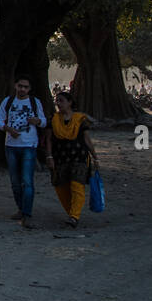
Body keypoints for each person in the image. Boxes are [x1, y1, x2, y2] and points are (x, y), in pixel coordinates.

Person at [0, 77, 47, 229]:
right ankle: (20, 208)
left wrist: (37, 121)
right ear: (15, 85)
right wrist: (7, 129)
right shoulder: (7, 101)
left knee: (27, 181)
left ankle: (27, 214)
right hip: (11, 145)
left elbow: (44, 121)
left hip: (29, 145)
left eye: (25, 87)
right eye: (20, 86)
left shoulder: (35, 102)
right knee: (15, 181)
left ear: (29, 89)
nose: (22, 89)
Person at [46, 92, 99, 229]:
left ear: (70, 102)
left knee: (77, 186)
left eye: (61, 100)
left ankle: (74, 216)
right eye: (56, 101)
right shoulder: (53, 119)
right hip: (59, 158)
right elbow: (49, 140)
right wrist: (49, 156)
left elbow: (87, 139)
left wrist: (95, 156)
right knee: (61, 187)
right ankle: (71, 212)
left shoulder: (80, 119)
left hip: (79, 157)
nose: (58, 103)